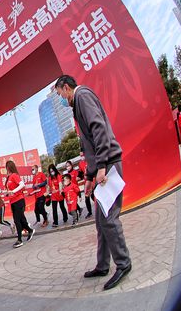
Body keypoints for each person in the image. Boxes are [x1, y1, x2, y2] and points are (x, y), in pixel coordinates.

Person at [56, 75, 131, 290]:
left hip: (108, 166)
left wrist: (101, 166)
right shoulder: (77, 103)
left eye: (60, 94)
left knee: (109, 218)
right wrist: (89, 178)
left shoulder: (83, 96)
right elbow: (89, 145)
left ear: (66, 87)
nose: (61, 99)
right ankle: (102, 265)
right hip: (100, 168)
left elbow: (98, 129)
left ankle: (124, 263)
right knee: (101, 220)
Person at [4, 160, 34, 248]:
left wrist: (13, 191)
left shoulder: (14, 175)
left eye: (7, 167)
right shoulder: (8, 178)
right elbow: (10, 190)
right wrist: (7, 192)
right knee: (21, 220)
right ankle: (30, 230)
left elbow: (22, 184)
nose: (6, 169)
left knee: (17, 220)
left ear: (10, 167)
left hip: (19, 200)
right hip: (12, 201)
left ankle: (19, 240)